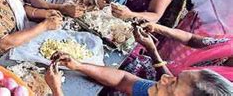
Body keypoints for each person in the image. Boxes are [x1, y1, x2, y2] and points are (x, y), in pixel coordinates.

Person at [44, 51, 233, 96]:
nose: (165, 77)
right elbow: (124, 79)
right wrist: (79, 66)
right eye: (175, 77)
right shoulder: (157, 92)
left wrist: (57, 89)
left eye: (173, 85)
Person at [124, 23, 233, 81]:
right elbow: (192, 40)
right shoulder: (229, 45)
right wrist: (156, 27)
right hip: (157, 69)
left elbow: (173, 86)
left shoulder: (226, 86)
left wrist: (152, 50)